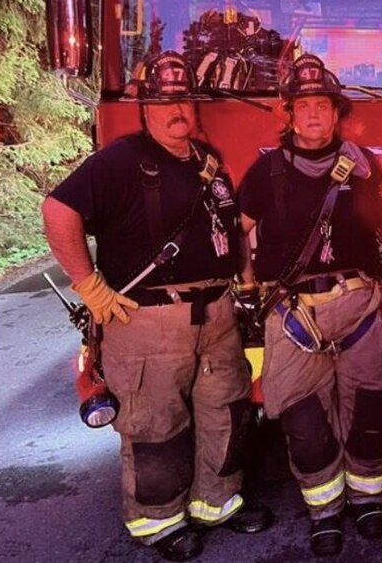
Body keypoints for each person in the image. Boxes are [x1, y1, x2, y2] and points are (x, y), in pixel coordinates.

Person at [41, 52, 272, 562]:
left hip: (216, 315)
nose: (177, 109)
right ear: (146, 106)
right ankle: (159, 523)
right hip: (148, 321)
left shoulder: (208, 163)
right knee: (155, 425)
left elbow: (232, 232)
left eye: (185, 100)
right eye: (165, 101)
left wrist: (247, 282)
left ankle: (218, 503)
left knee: (225, 413)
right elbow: (58, 209)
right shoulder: (121, 159)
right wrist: (90, 286)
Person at [237, 53, 382, 557]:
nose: (313, 114)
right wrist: (248, 288)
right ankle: (325, 510)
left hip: (359, 304)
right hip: (294, 314)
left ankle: (369, 500)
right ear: (290, 114)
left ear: (336, 113)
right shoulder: (265, 172)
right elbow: (238, 232)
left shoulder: (364, 165)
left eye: (322, 106)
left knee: (373, 410)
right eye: (303, 105)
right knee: (304, 423)